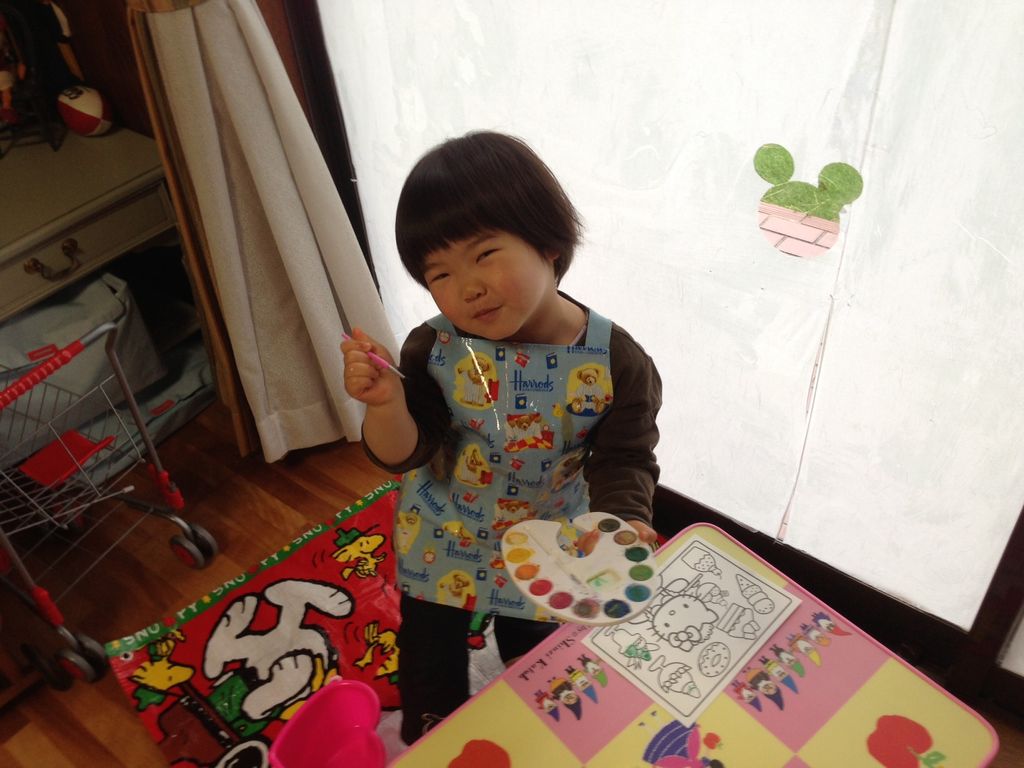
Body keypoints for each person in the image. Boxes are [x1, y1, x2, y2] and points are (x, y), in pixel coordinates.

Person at [342, 131, 662, 744]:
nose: (467, 287)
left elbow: (624, 457)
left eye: (484, 253)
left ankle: (533, 721)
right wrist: (385, 404)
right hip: (443, 533)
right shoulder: (432, 347)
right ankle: (432, 739)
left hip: (546, 538)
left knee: (539, 657)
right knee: (430, 657)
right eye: (440, 273)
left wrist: (622, 519)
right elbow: (403, 453)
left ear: (548, 243)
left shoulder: (615, 359)